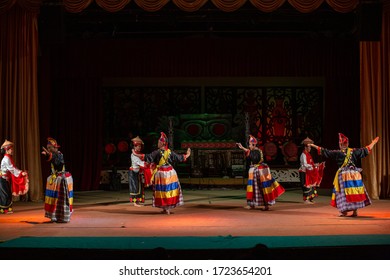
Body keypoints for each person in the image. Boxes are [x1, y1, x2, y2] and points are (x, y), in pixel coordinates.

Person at [309, 133, 379, 217]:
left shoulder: (338, 153)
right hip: (354, 175)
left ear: (340, 144)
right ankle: (354, 211)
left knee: (343, 193)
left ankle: (344, 211)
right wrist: (373, 143)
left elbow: (325, 151)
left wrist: (313, 145)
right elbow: (365, 150)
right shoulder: (354, 151)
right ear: (347, 144)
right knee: (354, 191)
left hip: (344, 176)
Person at [133, 132, 191, 215]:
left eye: (159, 142)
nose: (157, 143)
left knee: (162, 190)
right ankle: (166, 209)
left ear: (162, 143)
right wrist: (188, 154)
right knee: (169, 190)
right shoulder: (170, 152)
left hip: (161, 173)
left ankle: (166, 208)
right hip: (170, 173)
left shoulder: (157, 152)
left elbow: (147, 157)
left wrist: (136, 154)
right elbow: (180, 158)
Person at [237, 135, 285, 211]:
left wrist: (245, 150)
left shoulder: (257, 152)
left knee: (262, 188)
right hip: (255, 171)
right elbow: (250, 152)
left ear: (254, 144)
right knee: (252, 188)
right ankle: (251, 204)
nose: (249, 146)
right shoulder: (255, 151)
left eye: (249, 145)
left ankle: (265, 205)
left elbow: (253, 157)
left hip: (259, 172)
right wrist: (242, 148)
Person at [41, 137, 74, 222]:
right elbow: (51, 159)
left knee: (60, 199)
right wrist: (48, 156)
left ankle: (63, 216)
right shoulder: (53, 155)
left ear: (54, 147)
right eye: (47, 148)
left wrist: (48, 155)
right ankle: (54, 215)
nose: (48, 149)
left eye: (49, 148)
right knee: (52, 197)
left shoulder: (59, 155)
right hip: (55, 178)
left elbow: (57, 162)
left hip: (61, 179)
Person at [0, 140, 29, 214]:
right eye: (11, 149)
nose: (12, 150)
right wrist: (21, 173)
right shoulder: (6, 159)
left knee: (7, 193)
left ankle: (7, 209)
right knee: (5, 194)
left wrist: (20, 172)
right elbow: (12, 169)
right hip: (2, 179)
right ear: (7, 150)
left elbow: (13, 168)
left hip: (5, 179)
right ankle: (3, 209)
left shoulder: (8, 158)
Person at [299, 137, 325, 204]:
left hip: (309, 172)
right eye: (309, 147)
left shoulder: (308, 154)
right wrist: (312, 166)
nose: (310, 149)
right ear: (305, 148)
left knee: (312, 185)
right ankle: (306, 200)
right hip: (304, 172)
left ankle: (310, 198)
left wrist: (315, 165)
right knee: (305, 185)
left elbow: (311, 163)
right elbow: (305, 164)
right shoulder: (303, 154)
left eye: (310, 147)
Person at [128, 136, 153, 207]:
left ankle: (138, 201)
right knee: (135, 187)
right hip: (133, 173)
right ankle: (135, 202)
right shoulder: (133, 155)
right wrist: (147, 164)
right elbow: (139, 163)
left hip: (138, 172)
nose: (139, 147)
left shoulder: (138, 154)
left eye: (140, 146)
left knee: (139, 187)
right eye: (137, 146)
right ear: (134, 147)